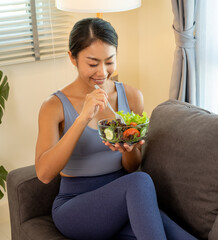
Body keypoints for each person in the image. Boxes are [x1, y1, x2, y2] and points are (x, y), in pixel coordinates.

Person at [35, 17, 197, 240]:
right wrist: (83, 118)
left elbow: (132, 168)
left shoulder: (131, 97)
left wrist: (127, 149)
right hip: (75, 207)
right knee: (141, 182)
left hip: (123, 199)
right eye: (92, 63)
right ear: (72, 58)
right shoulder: (54, 106)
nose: (102, 72)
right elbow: (44, 174)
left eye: (109, 61)